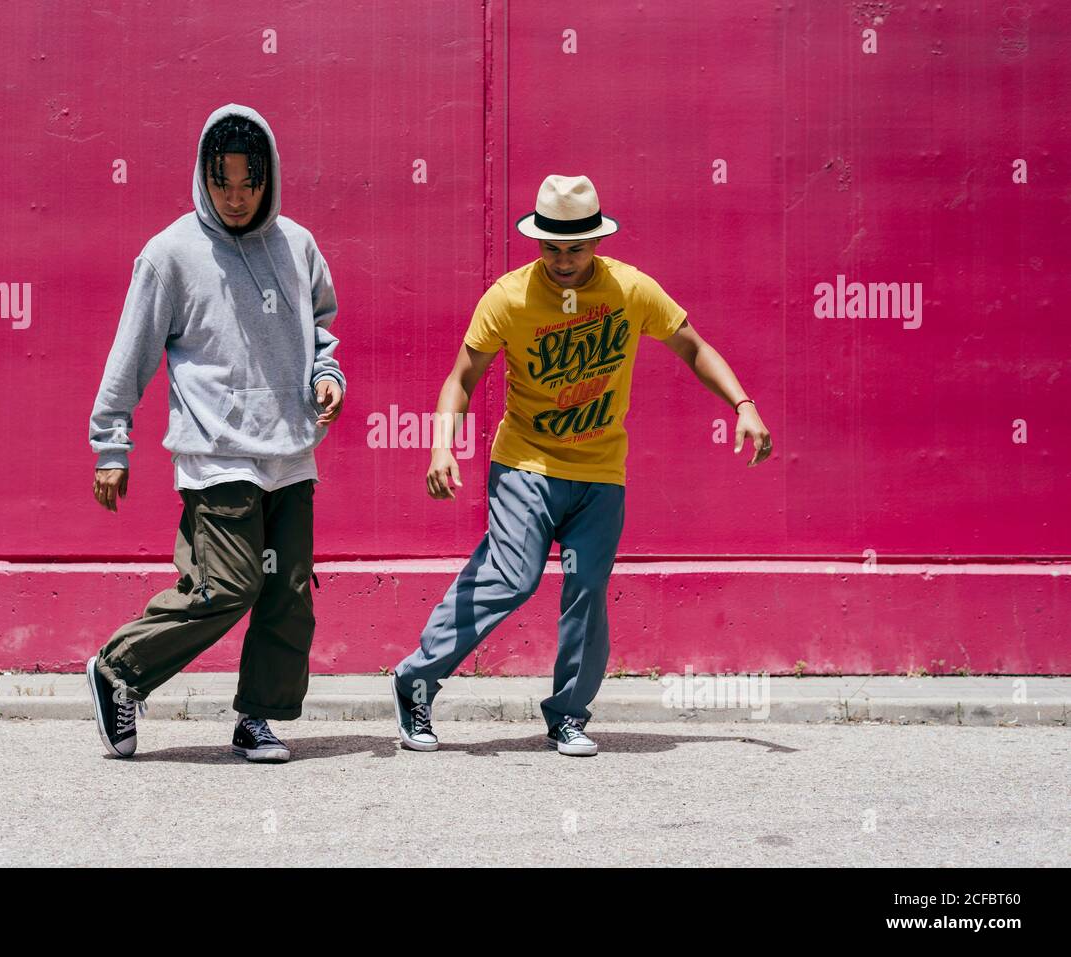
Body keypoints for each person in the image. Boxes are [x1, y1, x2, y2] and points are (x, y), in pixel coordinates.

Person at [391, 174, 771, 756]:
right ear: (536, 242)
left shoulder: (631, 289)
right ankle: (417, 678)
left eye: (575, 247)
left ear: (597, 240)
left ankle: (568, 714)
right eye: (551, 248)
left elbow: (692, 345)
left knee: (587, 590)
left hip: (600, 472)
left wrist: (743, 404)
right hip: (526, 464)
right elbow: (462, 377)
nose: (563, 261)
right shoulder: (508, 297)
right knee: (512, 578)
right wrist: (443, 444)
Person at [85, 103, 346, 763]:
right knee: (227, 584)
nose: (235, 196)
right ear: (203, 174)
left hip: (291, 455)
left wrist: (328, 374)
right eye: (222, 180)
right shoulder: (170, 254)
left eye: (248, 183)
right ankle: (120, 666)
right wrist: (111, 444)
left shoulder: (298, 245)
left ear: (269, 180)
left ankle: (258, 716)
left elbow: (321, 331)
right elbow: (130, 355)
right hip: (216, 454)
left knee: (288, 595)